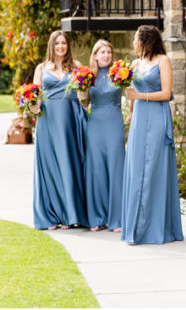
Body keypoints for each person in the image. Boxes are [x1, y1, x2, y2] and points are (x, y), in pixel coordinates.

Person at [121, 25, 183, 245]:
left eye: (136, 39)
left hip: (157, 117)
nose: (133, 43)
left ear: (145, 40)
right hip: (139, 118)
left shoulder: (163, 61)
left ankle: (154, 227)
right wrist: (129, 111)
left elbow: (167, 93)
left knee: (154, 168)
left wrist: (139, 95)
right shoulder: (135, 64)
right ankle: (135, 226)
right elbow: (130, 93)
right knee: (137, 168)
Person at [32, 30, 89, 230]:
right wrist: (33, 106)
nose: (60, 47)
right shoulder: (41, 68)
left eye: (63, 43)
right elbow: (36, 95)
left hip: (71, 119)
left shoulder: (77, 67)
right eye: (57, 44)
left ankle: (70, 214)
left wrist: (84, 102)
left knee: (70, 164)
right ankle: (52, 214)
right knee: (50, 166)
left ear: (68, 46)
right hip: (48, 120)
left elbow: (84, 96)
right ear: (51, 46)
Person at [84, 39, 126, 233]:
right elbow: (84, 104)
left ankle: (116, 218)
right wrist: (80, 92)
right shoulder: (88, 77)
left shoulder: (119, 73)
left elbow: (133, 92)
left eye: (109, 52)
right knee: (96, 169)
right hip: (95, 126)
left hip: (114, 123)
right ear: (95, 55)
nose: (106, 55)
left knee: (116, 168)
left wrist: (133, 113)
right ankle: (97, 218)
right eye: (102, 52)